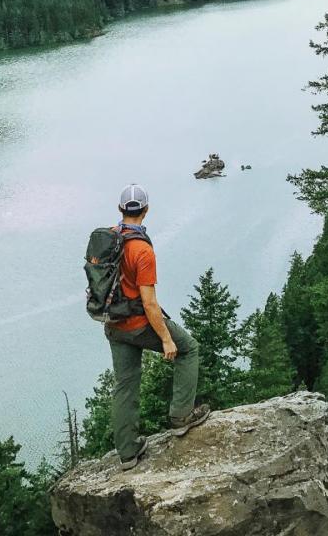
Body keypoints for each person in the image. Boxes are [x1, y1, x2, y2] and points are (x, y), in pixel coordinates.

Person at [105, 183, 209, 468]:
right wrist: (165, 338)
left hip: (114, 324)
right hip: (139, 323)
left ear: (120, 209)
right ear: (147, 210)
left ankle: (127, 453)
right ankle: (181, 417)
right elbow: (149, 303)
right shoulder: (142, 250)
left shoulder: (108, 239)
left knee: (125, 385)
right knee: (188, 349)